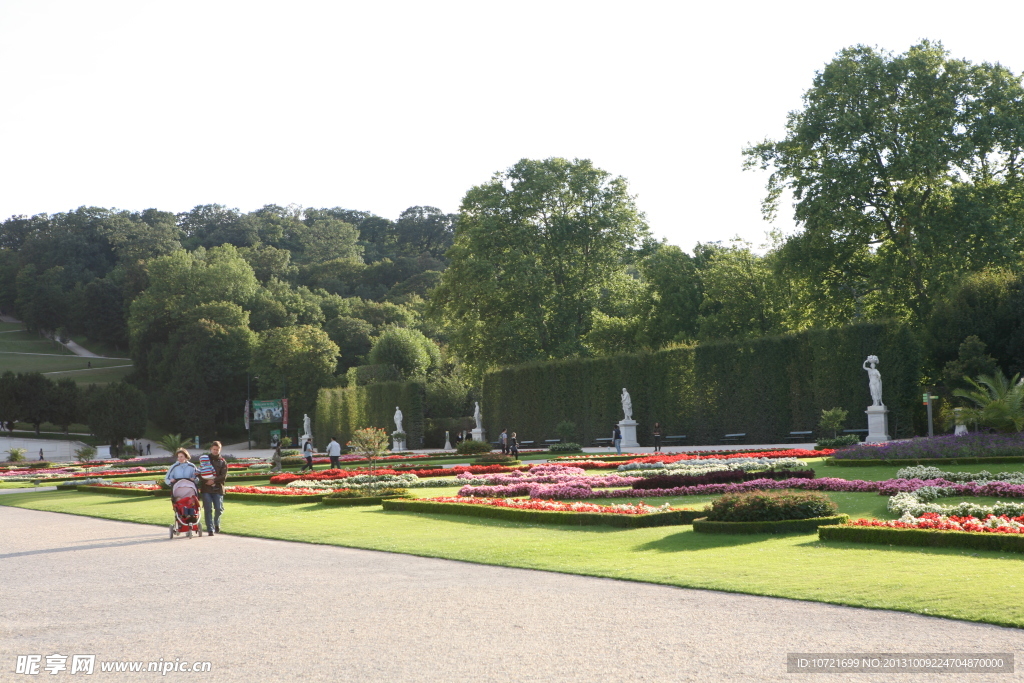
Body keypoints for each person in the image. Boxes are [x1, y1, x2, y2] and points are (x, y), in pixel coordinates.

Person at [199, 441, 228, 535]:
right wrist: (206, 481)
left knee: (219, 509)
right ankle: (210, 529)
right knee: (208, 509)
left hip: (218, 487)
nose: (215, 451)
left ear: (220, 450)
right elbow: (200, 473)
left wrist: (214, 480)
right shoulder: (205, 459)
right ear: (211, 449)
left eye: (217, 449)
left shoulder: (223, 461)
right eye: (214, 449)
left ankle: (216, 523)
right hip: (206, 488)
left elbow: (224, 476)